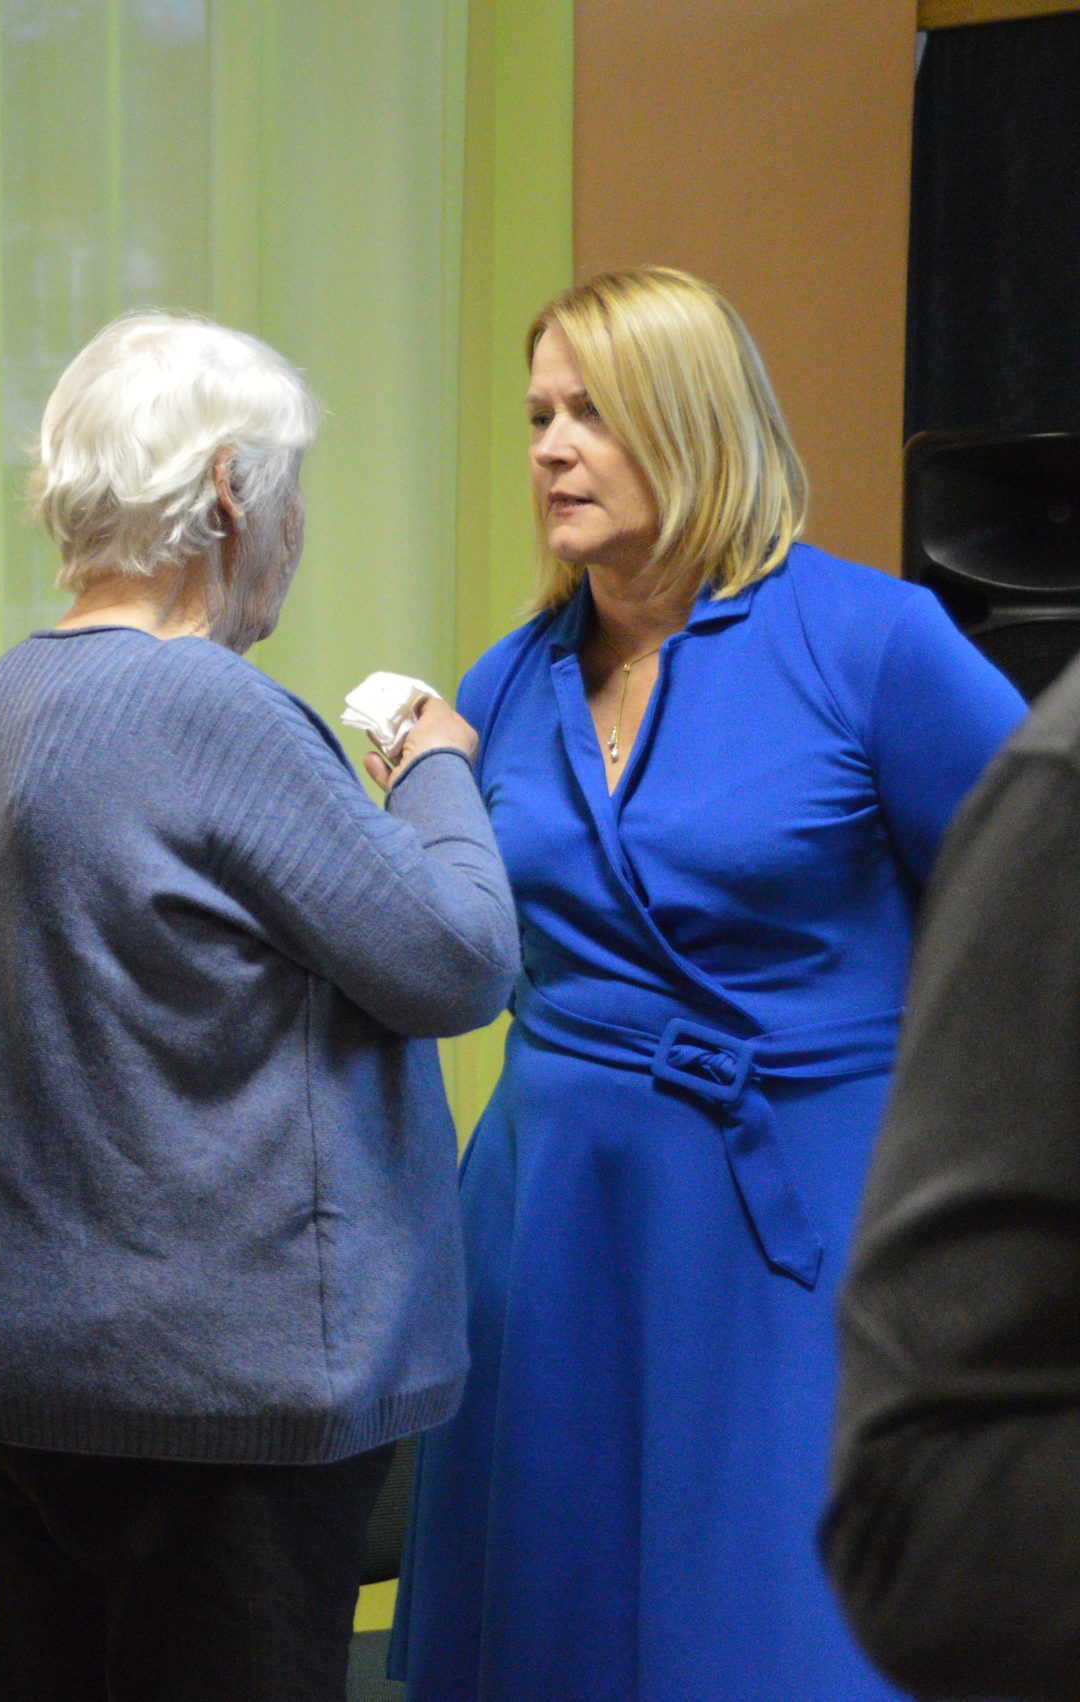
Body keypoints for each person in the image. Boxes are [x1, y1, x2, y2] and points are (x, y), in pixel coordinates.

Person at [390, 267, 1028, 1699]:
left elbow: (1035, 907)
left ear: (690, 422)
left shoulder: (873, 644)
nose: (551, 449)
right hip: (549, 1214)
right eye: (538, 416)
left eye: (593, 413)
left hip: (797, 1216)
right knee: (544, 1624)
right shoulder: (504, 682)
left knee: (778, 1627)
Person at [0, 311, 520, 1702]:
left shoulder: (9, 698)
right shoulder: (212, 709)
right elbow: (461, 958)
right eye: (291, 488)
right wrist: (434, 768)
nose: (297, 525)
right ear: (232, 490)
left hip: (31, 1401)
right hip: (220, 1409)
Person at [822, 658, 1080, 1700]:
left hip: (809, 1154)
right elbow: (927, 1522)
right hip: (590, 1184)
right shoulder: (1059, 782)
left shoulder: (878, 643)